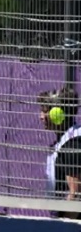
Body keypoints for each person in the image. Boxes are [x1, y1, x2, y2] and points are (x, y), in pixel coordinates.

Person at [39, 86, 81, 218]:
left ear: (58, 113)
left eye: (45, 111)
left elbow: (76, 196)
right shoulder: (65, 140)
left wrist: (62, 224)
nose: (41, 117)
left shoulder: (72, 144)